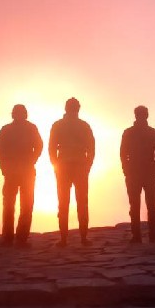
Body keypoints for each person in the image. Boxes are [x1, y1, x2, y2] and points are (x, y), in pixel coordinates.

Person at [49, 98, 95, 247]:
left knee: (63, 203)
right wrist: (87, 165)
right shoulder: (84, 126)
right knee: (82, 202)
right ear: (78, 109)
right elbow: (91, 149)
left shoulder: (58, 125)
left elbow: (51, 148)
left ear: (66, 108)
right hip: (79, 166)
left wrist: (56, 164)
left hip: (64, 167)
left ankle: (63, 239)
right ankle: (83, 237)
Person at [0, 104, 43, 248]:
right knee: (16, 205)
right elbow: (1, 152)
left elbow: (39, 146)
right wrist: (5, 167)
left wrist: (32, 160)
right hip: (17, 171)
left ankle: (15, 238)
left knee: (21, 205)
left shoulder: (26, 128)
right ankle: (13, 238)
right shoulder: (8, 130)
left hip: (23, 171)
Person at [120, 105, 155, 243]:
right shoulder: (154, 132)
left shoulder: (128, 132)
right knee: (151, 205)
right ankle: (153, 235)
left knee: (134, 205)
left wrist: (126, 169)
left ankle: (136, 236)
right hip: (149, 173)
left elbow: (123, 153)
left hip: (133, 173)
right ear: (147, 115)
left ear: (135, 115)